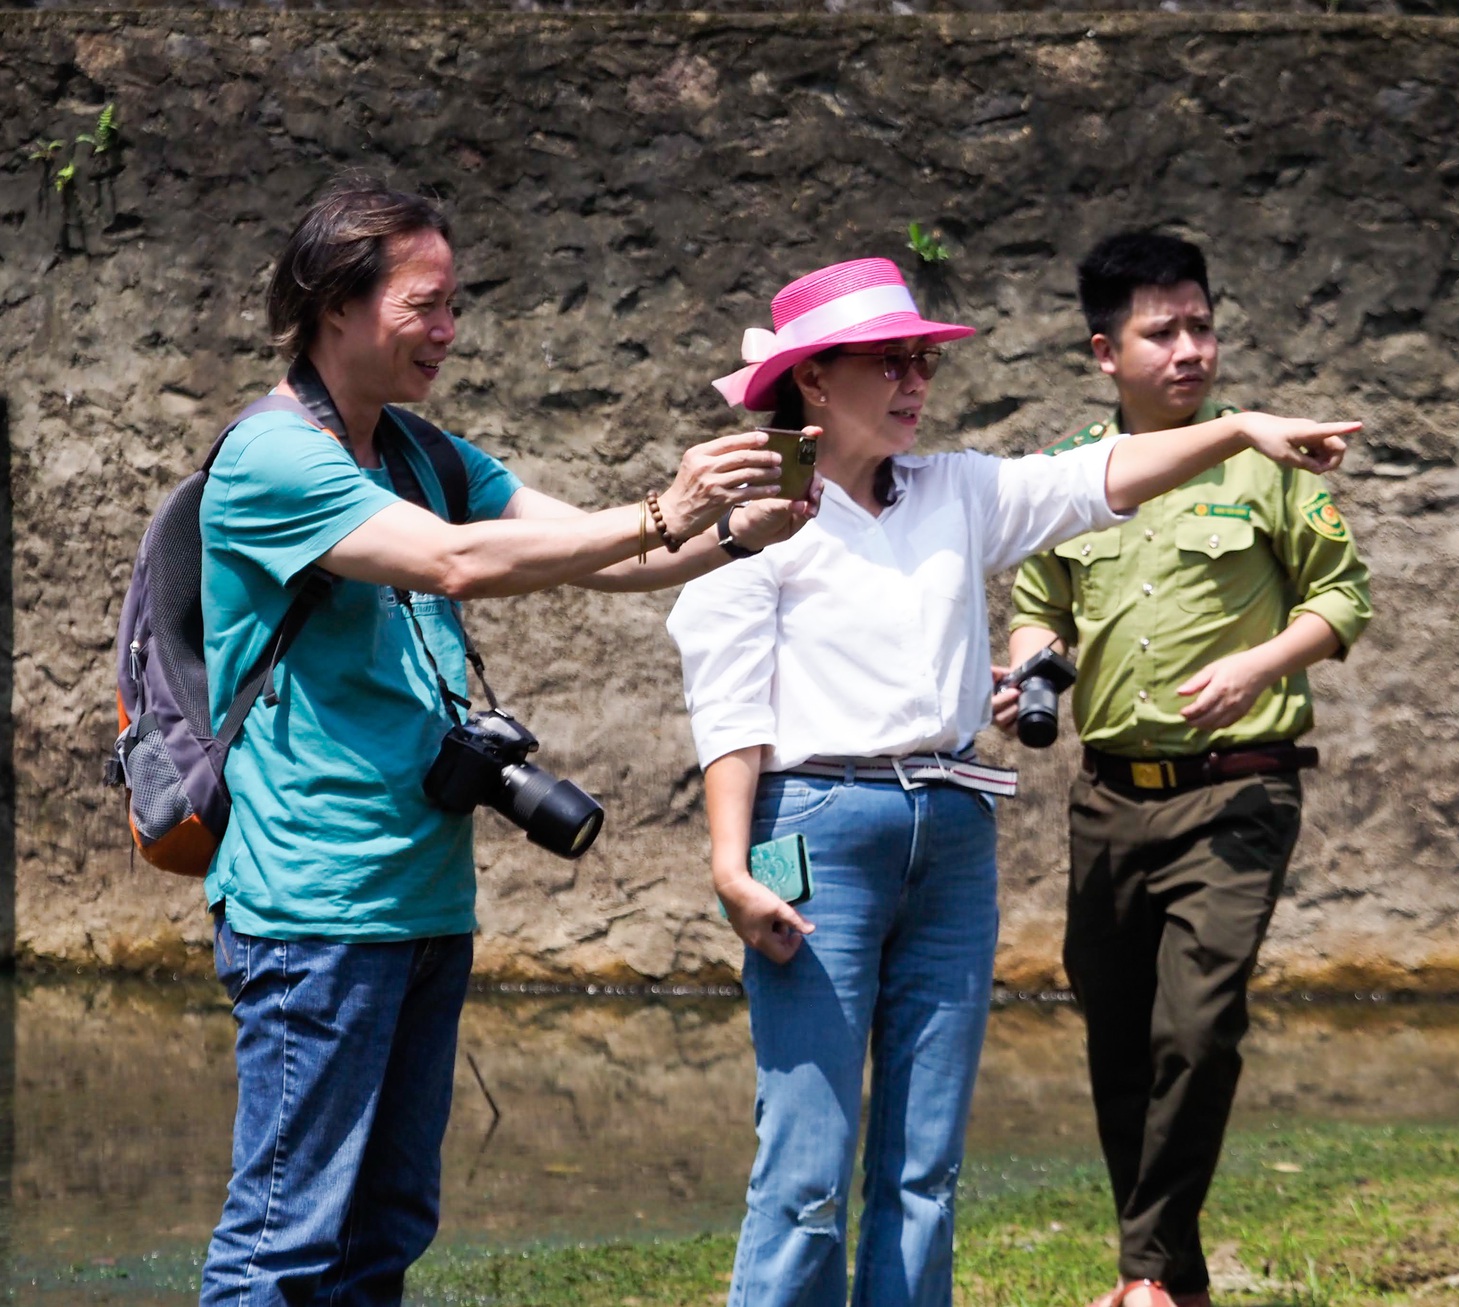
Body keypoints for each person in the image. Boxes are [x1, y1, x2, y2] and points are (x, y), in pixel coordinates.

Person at [666, 255, 1360, 1307]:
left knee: (924, 1168)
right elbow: (729, 706)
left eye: (920, 361)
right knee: (805, 1164)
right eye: (889, 361)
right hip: (810, 828)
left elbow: (1097, 477)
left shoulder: (955, 488)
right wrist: (729, 863)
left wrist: (1237, 429)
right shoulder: (757, 509)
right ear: (812, 380)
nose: (914, 381)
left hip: (950, 828)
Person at [198, 175, 812, 1307]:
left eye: (454, 304)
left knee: (386, 1229)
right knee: (282, 1245)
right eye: (424, 305)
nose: (448, 330)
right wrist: (661, 509)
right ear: (335, 303)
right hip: (312, 905)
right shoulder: (271, 458)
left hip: (423, 898)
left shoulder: (423, 450)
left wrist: (731, 530)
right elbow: (454, 562)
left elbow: (605, 551)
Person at [1000, 232, 1374, 1307]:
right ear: (1102, 351)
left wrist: (1257, 662)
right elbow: (1040, 607)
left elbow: (1342, 598)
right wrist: (1032, 671)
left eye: (1200, 325)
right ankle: (1171, 1278)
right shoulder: (1065, 475)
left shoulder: (1269, 458)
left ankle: (1144, 1268)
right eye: (1159, 331)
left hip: (1238, 786)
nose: (1188, 349)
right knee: (1119, 1040)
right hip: (1108, 797)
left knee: (1198, 1025)